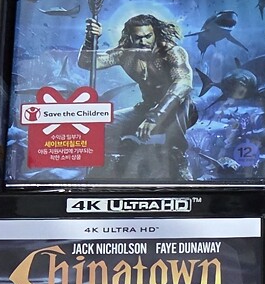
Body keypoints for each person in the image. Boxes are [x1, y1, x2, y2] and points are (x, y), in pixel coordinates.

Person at [80, 12, 195, 180]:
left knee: (181, 107)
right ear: (130, 37)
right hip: (146, 108)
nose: (143, 41)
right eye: (138, 37)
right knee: (102, 127)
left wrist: (155, 116)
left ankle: (178, 162)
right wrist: (90, 40)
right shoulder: (124, 54)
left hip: (177, 109)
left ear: (155, 34)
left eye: (148, 36)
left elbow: (183, 84)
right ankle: (123, 160)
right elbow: (87, 63)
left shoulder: (172, 52)